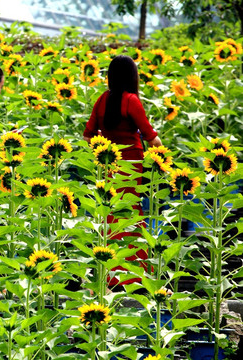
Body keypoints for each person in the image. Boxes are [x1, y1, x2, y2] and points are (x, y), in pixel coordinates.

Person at [83, 55, 162, 287]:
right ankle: (136, 277)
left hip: (108, 166)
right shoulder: (131, 101)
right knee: (131, 216)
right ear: (132, 76)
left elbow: (88, 135)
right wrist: (164, 158)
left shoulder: (102, 100)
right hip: (131, 167)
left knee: (110, 216)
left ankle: (109, 275)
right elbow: (151, 136)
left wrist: (103, 150)